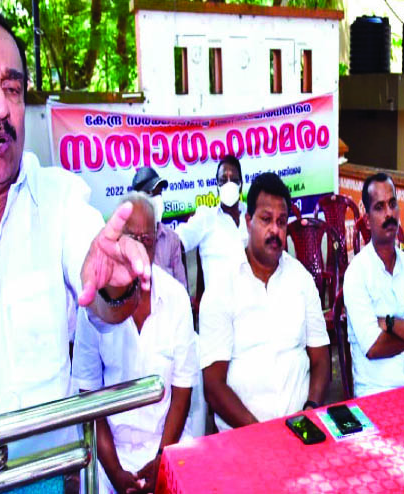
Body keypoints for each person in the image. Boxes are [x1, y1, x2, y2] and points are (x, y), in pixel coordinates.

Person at [0, 8, 150, 439]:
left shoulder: (59, 197)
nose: (0, 106)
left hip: (46, 469)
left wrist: (116, 284)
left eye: (12, 89)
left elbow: (109, 302)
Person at [72, 194, 199, 494]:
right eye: (132, 237)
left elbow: (182, 391)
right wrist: (116, 473)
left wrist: (162, 460)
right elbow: (88, 399)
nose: (140, 247)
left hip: (166, 445)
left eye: (147, 239)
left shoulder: (176, 297)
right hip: (110, 455)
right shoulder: (95, 303)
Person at [198, 172, 330, 431]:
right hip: (243, 436)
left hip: (300, 429)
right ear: (248, 221)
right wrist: (261, 433)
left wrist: (311, 409)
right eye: (266, 219)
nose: (275, 230)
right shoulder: (221, 286)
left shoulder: (301, 279)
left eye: (281, 221)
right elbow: (213, 386)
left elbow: (321, 358)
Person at [343, 173, 404, 397]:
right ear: (367, 220)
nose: (389, 213)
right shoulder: (357, 273)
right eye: (379, 207)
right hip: (373, 394)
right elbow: (374, 347)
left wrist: (390, 323)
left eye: (392, 204)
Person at [176, 155, 248, 290]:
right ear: (217, 187)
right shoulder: (206, 217)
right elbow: (175, 242)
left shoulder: (252, 216)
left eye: (234, 180)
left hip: (250, 299)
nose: (229, 185)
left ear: (241, 185)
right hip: (217, 301)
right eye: (223, 181)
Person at [131, 167, 188, 290]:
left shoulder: (171, 239)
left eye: (159, 193)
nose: (157, 199)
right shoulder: (127, 240)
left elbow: (181, 286)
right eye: (151, 193)